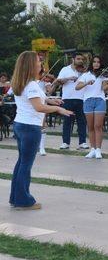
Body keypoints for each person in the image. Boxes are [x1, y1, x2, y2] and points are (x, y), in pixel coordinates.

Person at [9, 51, 73, 210]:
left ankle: (15, 197)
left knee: (21, 162)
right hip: (30, 128)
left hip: (20, 125)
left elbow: (37, 99)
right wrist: (58, 109)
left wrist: (51, 100)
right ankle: (24, 201)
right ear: (31, 64)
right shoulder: (31, 84)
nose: (41, 64)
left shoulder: (22, 82)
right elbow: (38, 107)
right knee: (26, 164)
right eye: (38, 62)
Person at [75, 56, 108, 160]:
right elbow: (77, 87)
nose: (96, 64)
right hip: (88, 101)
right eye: (94, 62)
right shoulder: (86, 75)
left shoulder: (103, 75)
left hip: (100, 100)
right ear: (91, 63)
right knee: (90, 127)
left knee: (98, 126)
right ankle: (92, 149)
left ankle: (98, 149)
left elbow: (104, 88)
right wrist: (86, 82)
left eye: (98, 62)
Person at [56, 53, 89, 151]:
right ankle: (65, 142)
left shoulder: (84, 71)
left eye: (82, 59)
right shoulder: (65, 69)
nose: (80, 61)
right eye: (78, 59)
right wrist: (69, 78)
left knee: (82, 122)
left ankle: (82, 142)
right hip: (68, 98)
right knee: (67, 121)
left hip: (81, 98)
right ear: (73, 59)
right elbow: (59, 81)